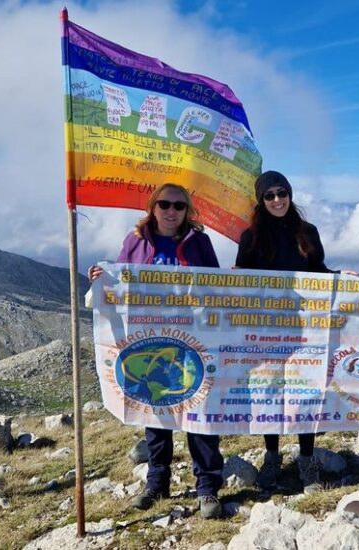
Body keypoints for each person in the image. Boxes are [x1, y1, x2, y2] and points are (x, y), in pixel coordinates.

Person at [88, 183, 223, 518]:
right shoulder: (135, 240)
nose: (171, 211)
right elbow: (120, 280)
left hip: (193, 340)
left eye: (179, 206)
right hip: (150, 339)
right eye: (164, 204)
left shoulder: (200, 242)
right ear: (152, 206)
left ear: (187, 210)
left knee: (199, 409)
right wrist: (101, 276)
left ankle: (207, 487)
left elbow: (217, 286)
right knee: (156, 410)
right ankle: (157, 483)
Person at [234, 170, 335, 494]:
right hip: (266, 329)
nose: (277, 200)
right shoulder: (250, 237)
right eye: (270, 195)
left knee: (304, 390)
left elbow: (319, 272)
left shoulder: (308, 232)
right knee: (269, 391)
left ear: (290, 194)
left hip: (305, 329)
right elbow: (242, 282)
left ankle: (306, 458)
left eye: (282, 193)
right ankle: (272, 455)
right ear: (261, 201)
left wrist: (341, 277)